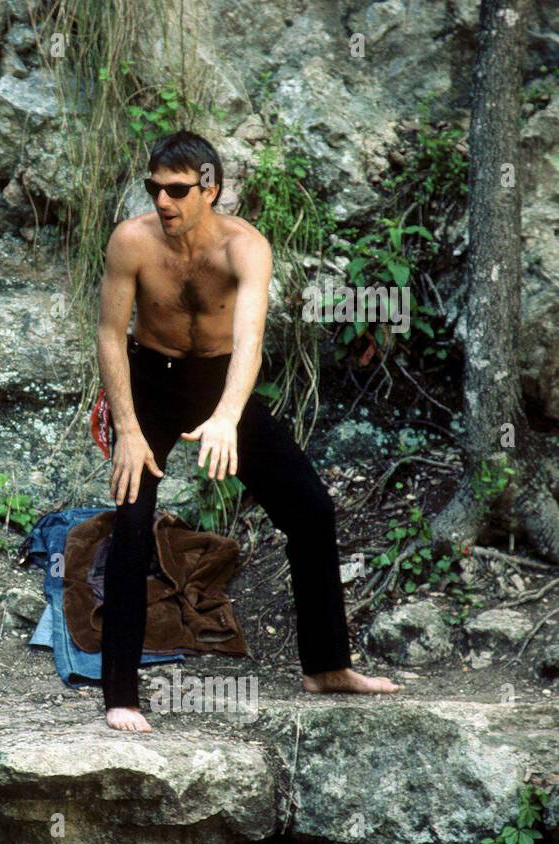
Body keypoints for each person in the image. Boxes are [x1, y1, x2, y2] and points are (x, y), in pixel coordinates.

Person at [95, 130, 401, 733]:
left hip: (219, 383)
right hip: (149, 383)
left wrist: (228, 416)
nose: (163, 202)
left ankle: (327, 666)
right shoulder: (131, 241)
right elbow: (109, 333)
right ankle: (121, 696)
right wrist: (127, 428)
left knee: (310, 509)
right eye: (154, 189)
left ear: (210, 188)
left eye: (177, 191)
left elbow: (250, 338)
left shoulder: (245, 247)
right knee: (132, 522)